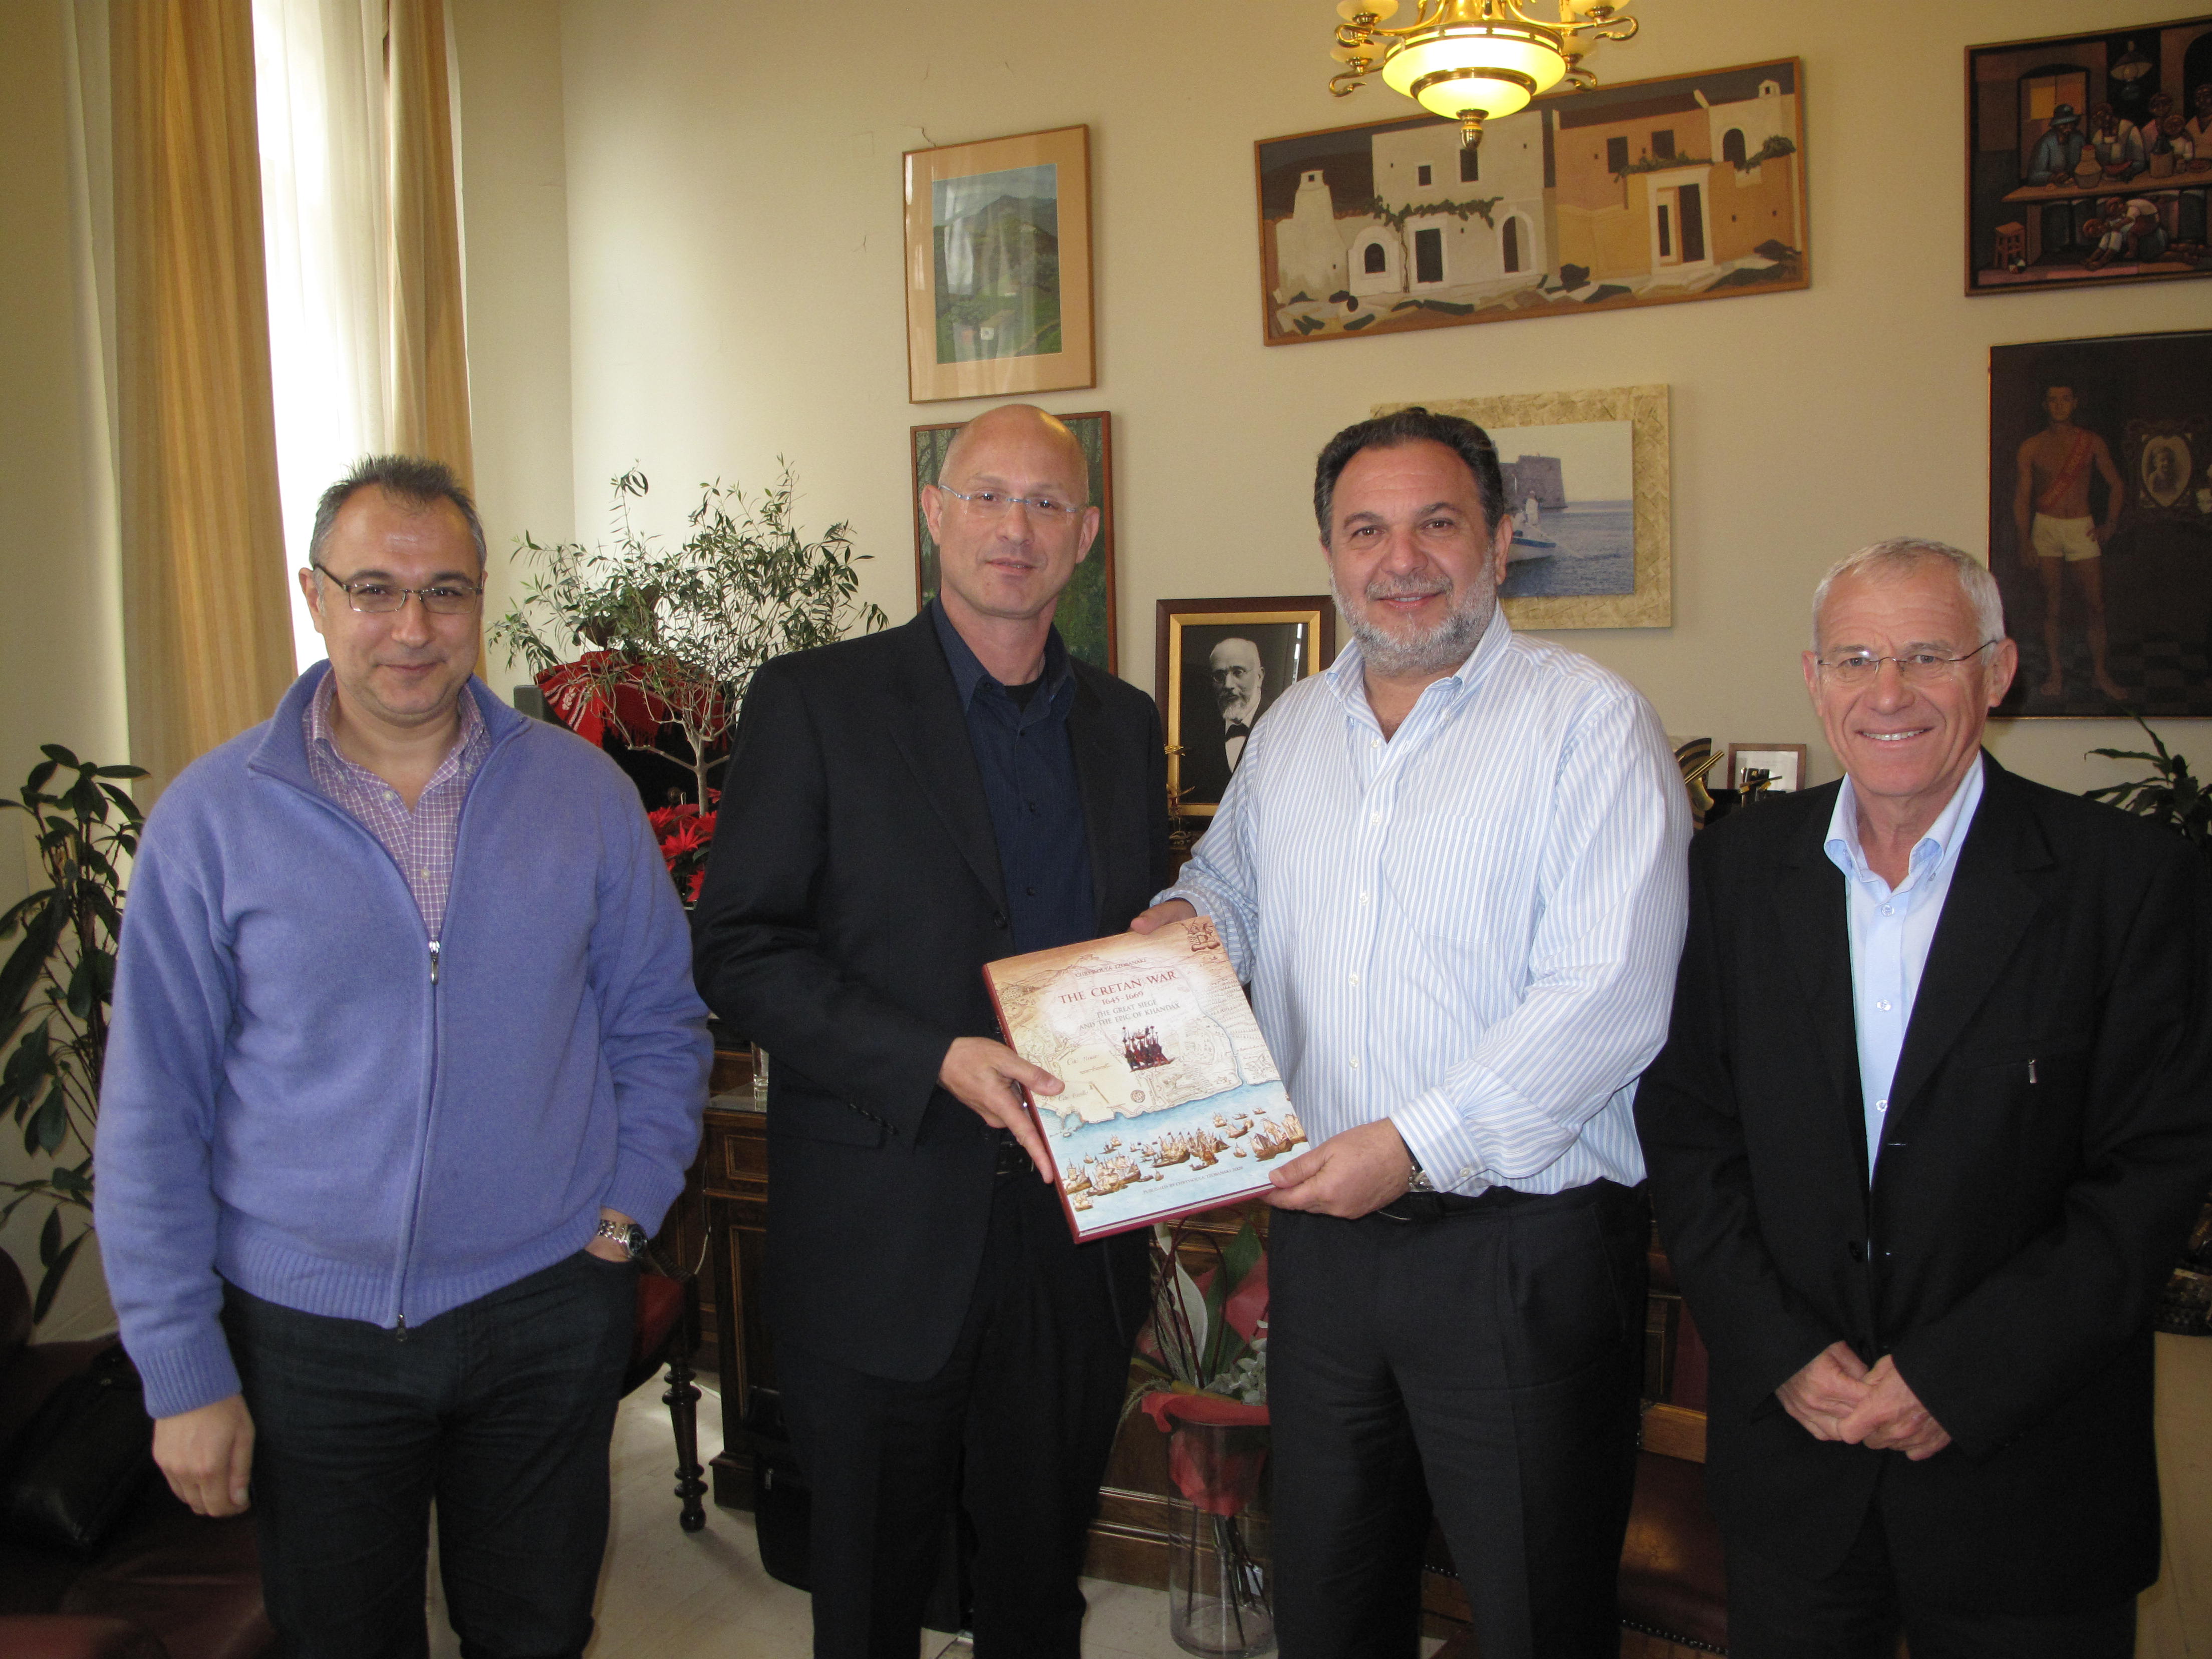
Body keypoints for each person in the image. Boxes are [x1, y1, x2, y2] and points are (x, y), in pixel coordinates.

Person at [95, 455, 711, 1658]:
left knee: (535, 1632)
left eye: (446, 592)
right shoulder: (210, 822)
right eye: (375, 589)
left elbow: (658, 1022)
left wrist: (624, 1215)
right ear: (314, 596)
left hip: (543, 1307)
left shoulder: (581, 795)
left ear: (482, 599)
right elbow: (152, 1110)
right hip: (306, 1333)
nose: (413, 629)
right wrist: (182, 1369)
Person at [1134, 407, 1690, 1658]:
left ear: (1498, 542)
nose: (1401, 560)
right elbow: (1232, 891)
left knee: (1535, 1611)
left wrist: (1412, 1143)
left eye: (1436, 524)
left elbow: (1606, 996)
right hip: (1325, 1253)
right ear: (1330, 554)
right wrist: (1176, 929)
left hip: (1519, 1252)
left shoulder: (1589, 725)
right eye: (1365, 530)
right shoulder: (1292, 729)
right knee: (1331, 1599)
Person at [1635, 537, 2212, 1658]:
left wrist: (1962, 1377)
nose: (1888, 692)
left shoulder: (2126, 880)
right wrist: (1780, 1350)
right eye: (1855, 659)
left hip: (2026, 1483)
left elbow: (2152, 1176)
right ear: (1814, 682)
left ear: (1996, 673)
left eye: (1927, 656)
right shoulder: (1735, 870)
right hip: (1797, 1477)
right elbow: (1691, 1131)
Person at [691, 403, 1170, 1658]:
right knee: (867, 1594)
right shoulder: (815, 702)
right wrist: (929, 1058)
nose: (1014, 527)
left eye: (1046, 503)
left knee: (1038, 1587)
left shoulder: (1123, 725)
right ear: (932, 515)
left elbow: (1133, 942)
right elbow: (737, 949)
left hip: (1072, 1234)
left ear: (1086, 536)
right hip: (883, 1229)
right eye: (985, 496)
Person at [2011, 381, 2125, 702]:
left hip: (2080, 527)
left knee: (2095, 604)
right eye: (2053, 400)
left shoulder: (2091, 442)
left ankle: (2100, 674)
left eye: (2065, 399)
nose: (2059, 405)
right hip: (2046, 527)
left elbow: (2117, 484)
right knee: (2052, 605)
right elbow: (2022, 497)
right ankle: (2056, 673)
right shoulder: (2031, 447)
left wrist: (2110, 524)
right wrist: (2024, 540)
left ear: (2075, 403)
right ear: (2045, 405)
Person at [1179, 634, 1265, 803]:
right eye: (1219, 676)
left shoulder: (1282, 723)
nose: (1228, 685)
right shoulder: (1197, 730)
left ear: (1259, 677)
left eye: (1238, 672)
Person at [2024, 103, 2083, 184]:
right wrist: (2053, 178)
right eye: (2064, 124)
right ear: (2056, 125)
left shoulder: (2078, 138)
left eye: (2071, 123)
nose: (2069, 127)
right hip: (2051, 187)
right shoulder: (2046, 142)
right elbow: (2034, 175)